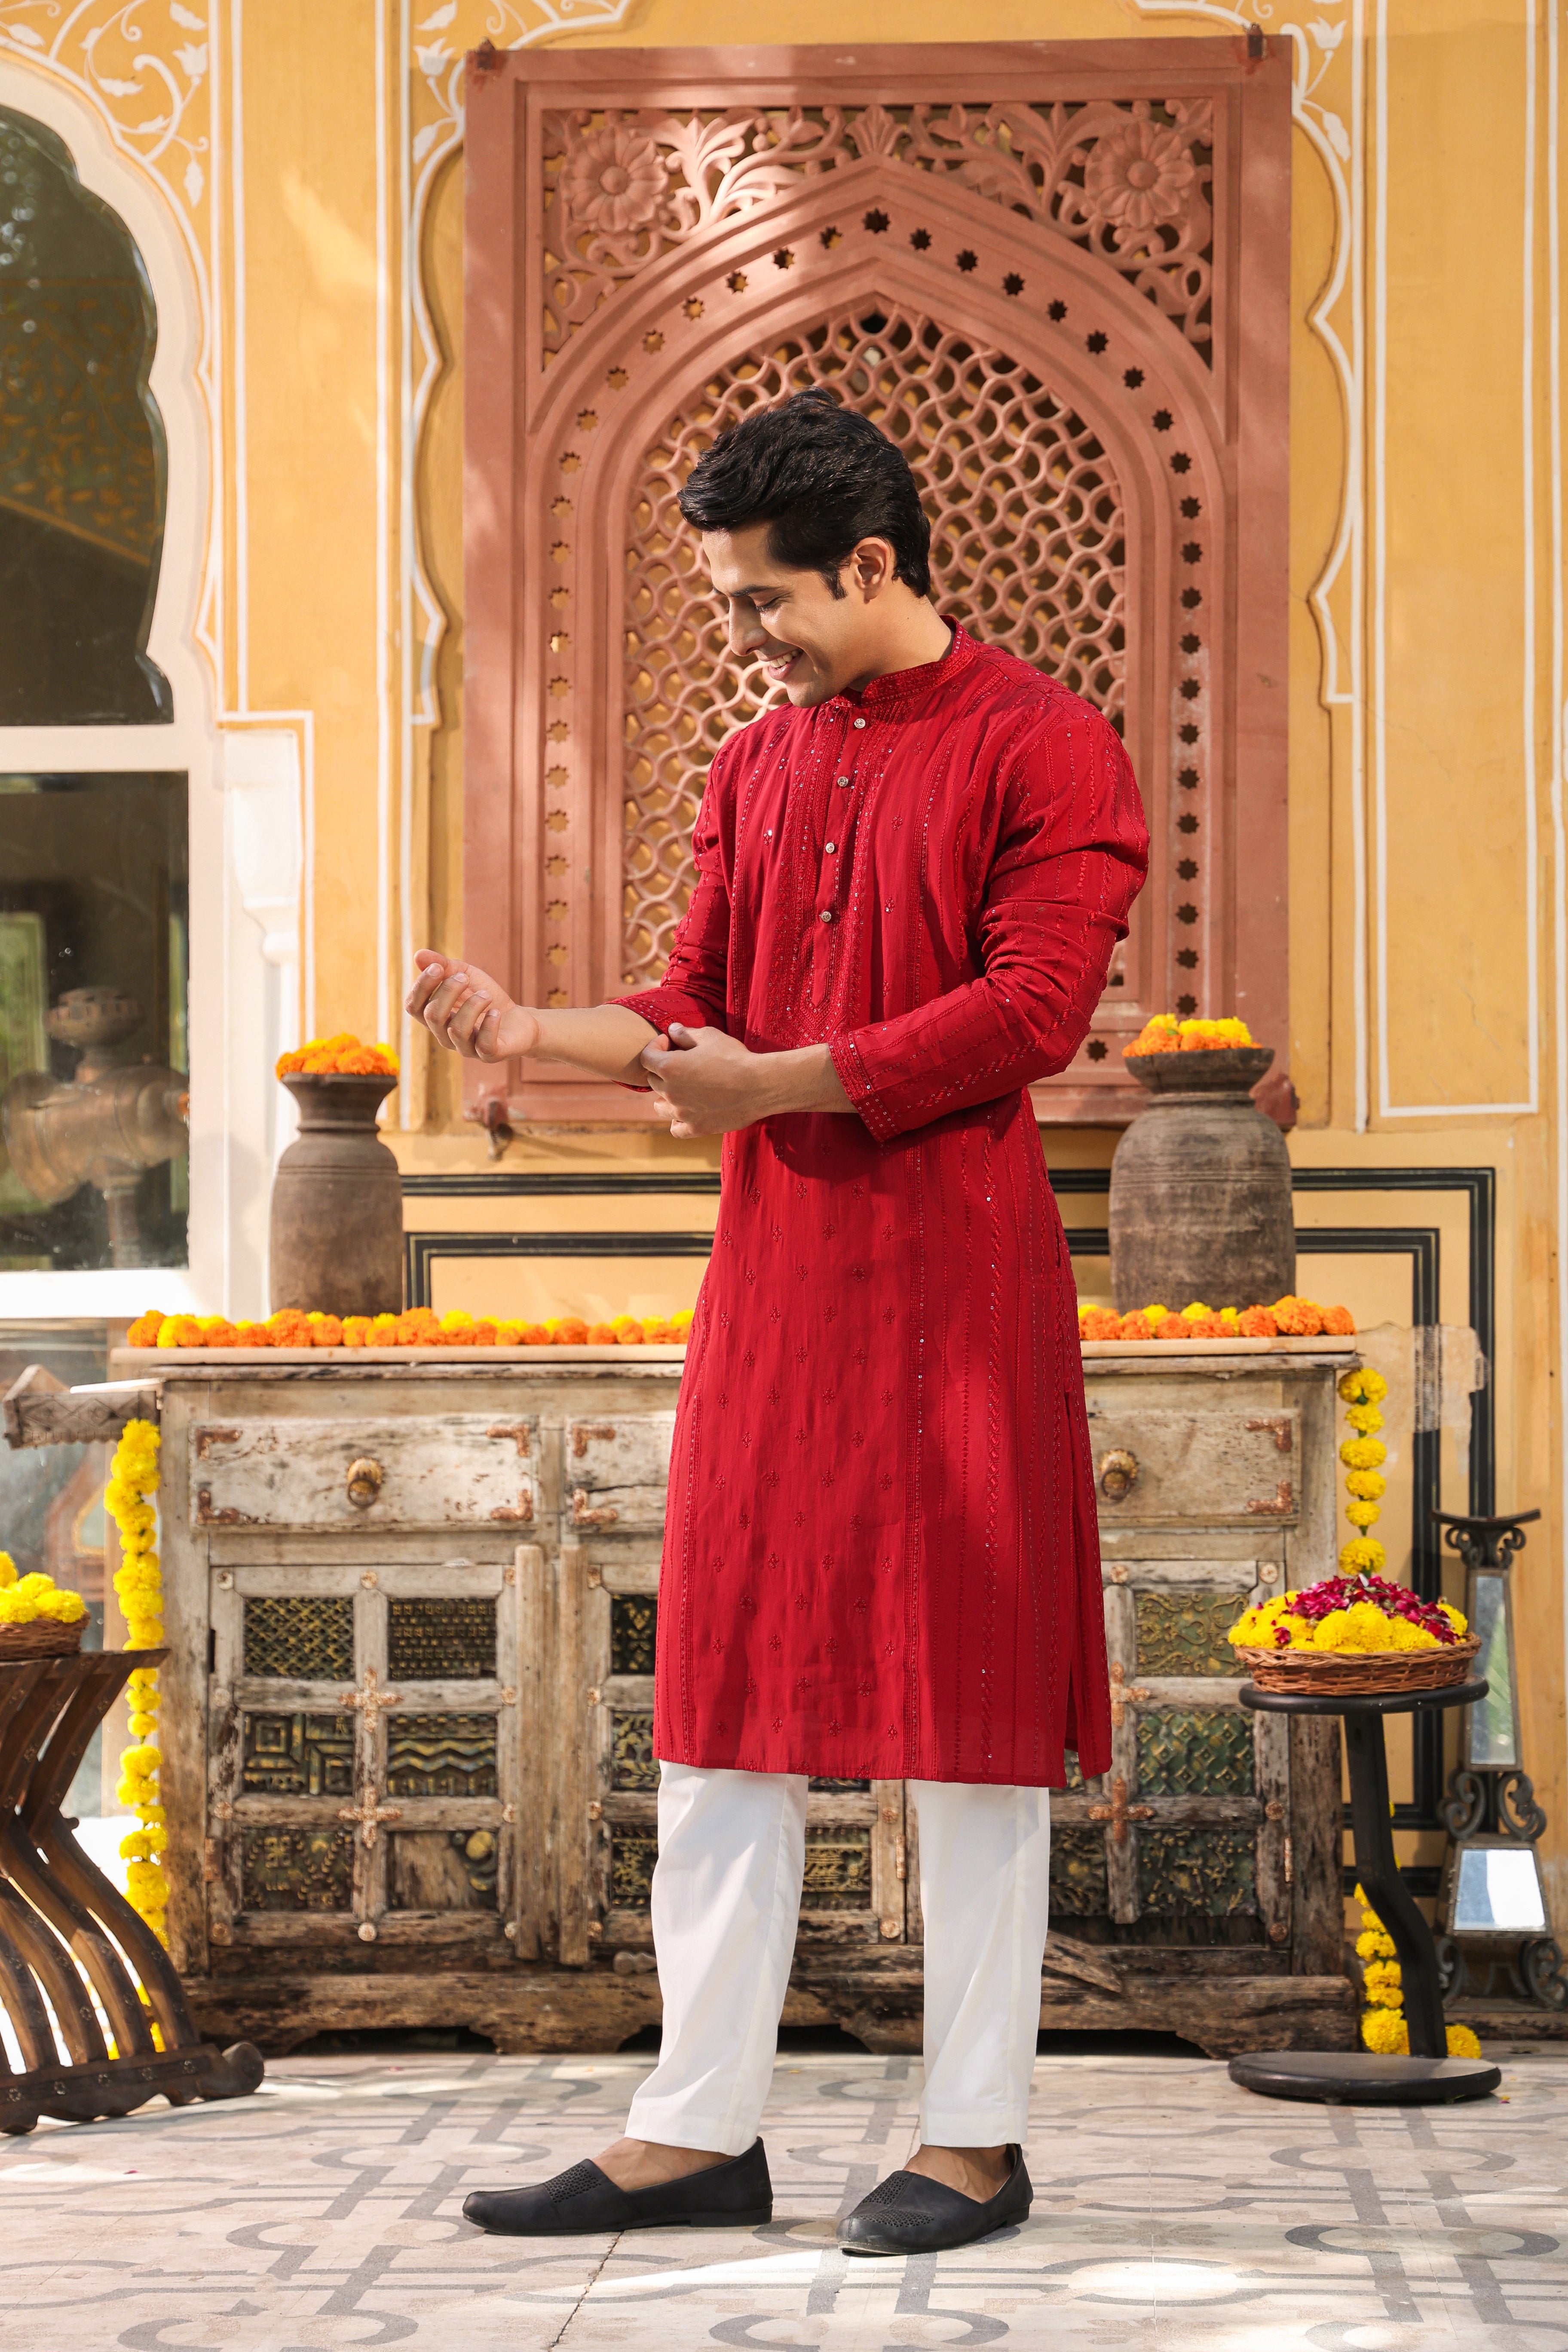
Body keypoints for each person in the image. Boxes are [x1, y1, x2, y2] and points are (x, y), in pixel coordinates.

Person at [408, 388, 1148, 2256]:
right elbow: (694, 1001)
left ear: (874, 562)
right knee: (726, 1704)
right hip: (781, 1290)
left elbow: (1031, 1013)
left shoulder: (1050, 747)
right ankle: (695, 2128)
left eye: (761, 603)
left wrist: (782, 1083)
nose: (747, 638)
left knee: (968, 1719)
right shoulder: (763, 765)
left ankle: (974, 2136)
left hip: (962, 1293)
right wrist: (532, 1030)